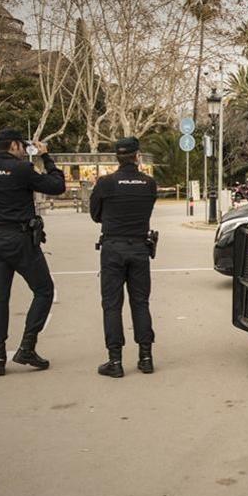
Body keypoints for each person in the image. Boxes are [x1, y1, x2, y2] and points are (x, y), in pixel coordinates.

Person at [0, 128, 65, 376]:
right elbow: (56, 186)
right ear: (12, 145)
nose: (23, 149)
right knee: (44, 290)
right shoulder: (21, 169)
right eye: (21, 145)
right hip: (21, 240)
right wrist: (46, 157)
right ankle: (27, 346)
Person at [89, 137, 158, 378]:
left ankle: (115, 361)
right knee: (140, 302)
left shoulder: (106, 183)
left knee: (111, 304)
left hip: (113, 247)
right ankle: (146, 357)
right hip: (139, 247)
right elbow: (148, 208)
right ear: (137, 155)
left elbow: (95, 214)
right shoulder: (149, 183)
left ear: (117, 157)